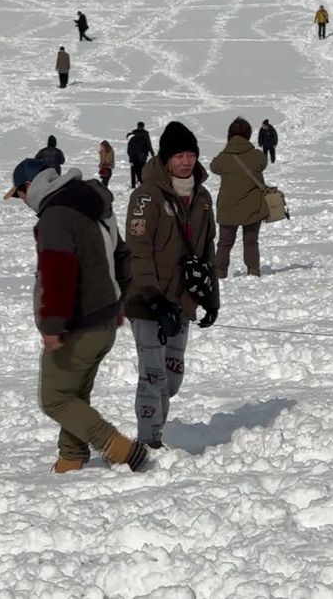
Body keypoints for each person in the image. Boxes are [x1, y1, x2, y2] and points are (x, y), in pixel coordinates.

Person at [4, 158, 149, 473]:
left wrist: (53, 324)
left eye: (19, 195)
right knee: (75, 394)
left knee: (54, 398)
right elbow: (123, 256)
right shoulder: (91, 203)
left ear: (29, 187)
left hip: (78, 326)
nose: (23, 203)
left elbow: (58, 274)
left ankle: (120, 448)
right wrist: (117, 300)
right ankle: (70, 457)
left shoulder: (55, 217)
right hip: (105, 322)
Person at [125, 121, 219, 450]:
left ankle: (157, 431)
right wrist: (153, 299)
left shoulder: (203, 197)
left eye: (191, 154)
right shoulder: (146, 196)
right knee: (153, 376)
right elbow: (138, 252)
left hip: (183, 302)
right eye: (179, 155)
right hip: (148, 303)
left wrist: (211, 297)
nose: (186, 162)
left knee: (172, 378)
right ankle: (149, 442)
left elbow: (208, 248)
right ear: (166, 159)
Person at [211, 117, 269, 278]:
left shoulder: (224, 157)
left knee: (224, 244)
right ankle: (253, 270)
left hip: (228, 208)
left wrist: (227, 148)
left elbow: (214, 166)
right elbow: (264, 163)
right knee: (251, 242)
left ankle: (220, 272)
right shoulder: (256, 156)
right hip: (252, 207)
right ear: (249, 135)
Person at [126, 122, 154, 188]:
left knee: (133, 170)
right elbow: (149, 145)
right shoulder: (145, 135)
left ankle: (133, 185)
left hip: (133, 157)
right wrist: (152, 154)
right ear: (143, 126)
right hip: (142, 156)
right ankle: (141, 182)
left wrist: (130, 156)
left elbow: (129, 148)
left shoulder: (133, 135)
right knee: (142, 171)